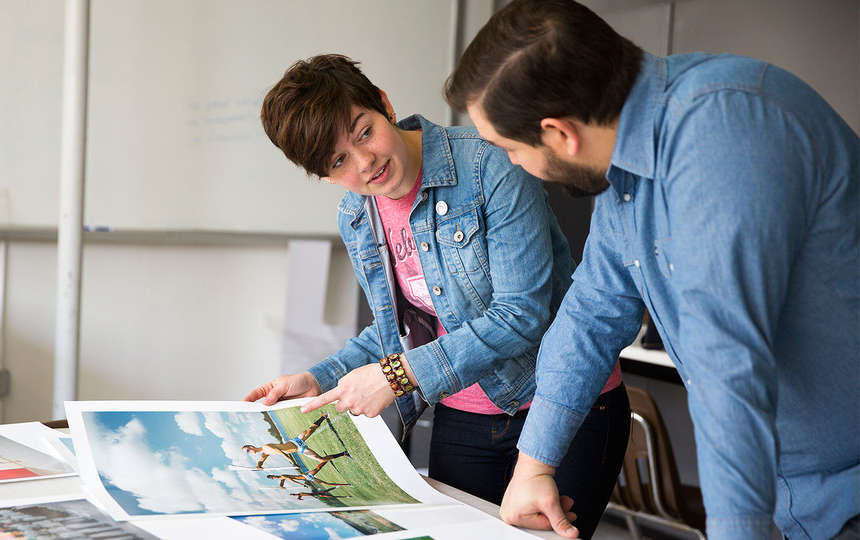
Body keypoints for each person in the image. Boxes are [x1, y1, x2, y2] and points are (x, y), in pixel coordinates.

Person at [443, 1, 860, 539]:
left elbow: (728, 370)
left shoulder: (722, 132)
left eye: (511, 149)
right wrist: (534, 467)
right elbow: (592, 312)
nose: (514, 165)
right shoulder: (626, 167)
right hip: (799, 502)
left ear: (561, 133)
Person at [243, 53, 629, 538]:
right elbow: (402, 329)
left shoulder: (492, 163)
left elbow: (521, 314)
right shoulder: (357, 216)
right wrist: (318, 377)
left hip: (561, 405)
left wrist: (398, 375)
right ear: (321, 174)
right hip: (463, 418)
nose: (365, 163)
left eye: (364, 131)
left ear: (383, 103)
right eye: (339, 161)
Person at [242, 413, 350, 470]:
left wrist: (293, 463)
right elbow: (261, 461)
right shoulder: (264, 453)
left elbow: (282, 453)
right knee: (320, 459)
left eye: (247, 450)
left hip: (295, 442)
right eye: (247, 452)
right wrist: (258, 466)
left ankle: (323, 416)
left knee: (310, 430)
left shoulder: (266, 447)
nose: (249, 452)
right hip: (299, 449)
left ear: (251, 446)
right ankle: (344, 453)